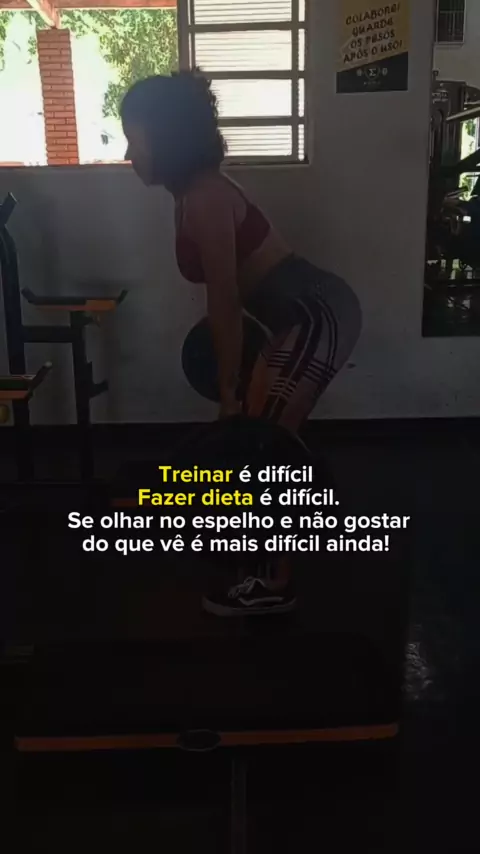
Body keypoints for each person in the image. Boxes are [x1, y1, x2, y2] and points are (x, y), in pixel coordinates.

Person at [121, 71, 362, 617]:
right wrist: (231, 384)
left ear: (168, 137)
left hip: (315, 314)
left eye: (136, 139)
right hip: (294, 318)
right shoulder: (191, 194)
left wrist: (230, 391)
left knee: (264, 449)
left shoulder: (205, 197)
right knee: (261, 442)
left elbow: (225, 301)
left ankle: (272, 584)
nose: (130, 153)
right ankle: (262, 562)